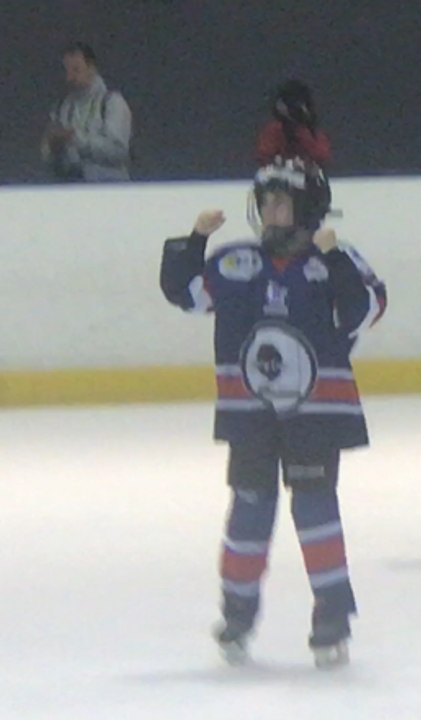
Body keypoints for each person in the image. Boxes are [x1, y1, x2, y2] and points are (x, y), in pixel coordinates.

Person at [159, 158, 387, 668]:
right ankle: (237, 610)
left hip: (316, 414)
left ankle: (332, 610)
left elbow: (365, 310)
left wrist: (336, 262)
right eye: (265, 202)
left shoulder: (334, 257)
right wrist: (193, 241)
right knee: (249, 508)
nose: (270, 211)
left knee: (314, 508)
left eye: (281, 202)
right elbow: (185, 293)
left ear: (306, 207)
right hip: (251, 415)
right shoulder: (235, 260)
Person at [41, 42, 132, 181]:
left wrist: (76, 139)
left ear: (91, 68)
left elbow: (119, 153)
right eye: (67, 71)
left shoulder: (112, 103)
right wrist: (53, 147)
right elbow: (48, 159)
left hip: (109, 192)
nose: (70, 77)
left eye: (76, 70)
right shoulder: (61, 108)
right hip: (72, 190)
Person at [256, 80, 332, 168]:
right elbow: (264, 155)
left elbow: (322, 155)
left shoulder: (310, 131)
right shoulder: (275, 130)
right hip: (279, 172)